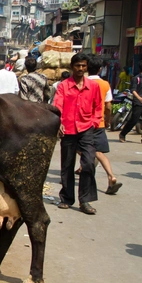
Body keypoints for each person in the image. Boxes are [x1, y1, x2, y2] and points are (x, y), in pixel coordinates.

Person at [53, 53, 102, 215]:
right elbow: (57, 105)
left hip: (86, 128)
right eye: (77, 66)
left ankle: (85, 200)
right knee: (67, 165)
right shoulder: (64, 86)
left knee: (88, 163)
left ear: (86, 67)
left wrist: (94, 122)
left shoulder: (93, 86)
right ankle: (66, 198)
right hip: (68, 129)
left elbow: (98, 107)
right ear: (72, 67)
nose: (81, 69)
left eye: (83, 66)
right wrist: (59, 122)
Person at [85, 56, 122, 195]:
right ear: (100, 69)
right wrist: (107, 119)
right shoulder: (105, 84)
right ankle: (111, 175)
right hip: (99, 122)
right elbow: (108, 106)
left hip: (84, 123)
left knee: (89, 150)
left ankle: (86, 171)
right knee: (98, 151)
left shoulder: (83, 82)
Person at [119, 60, 142, 144]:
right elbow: (133, 90)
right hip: (138, 102)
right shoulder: (136, 78)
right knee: (134, 120)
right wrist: (140, 98)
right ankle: (122, 134)